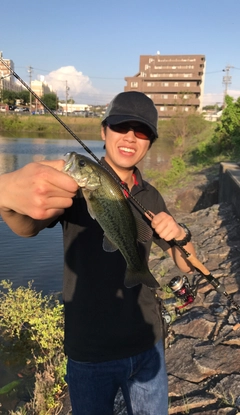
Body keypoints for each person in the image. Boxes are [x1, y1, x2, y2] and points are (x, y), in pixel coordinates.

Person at [0, 91, 196, 415]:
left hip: (147, 344)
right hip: (89, 353)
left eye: (142, 130)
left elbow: (187, 264)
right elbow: (27, 227)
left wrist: (181, 234)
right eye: (121, 126)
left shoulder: (151, 196)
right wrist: (6, 196)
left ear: (150, 142)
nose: (131, 137)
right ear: (103, 131)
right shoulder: (72, 188)